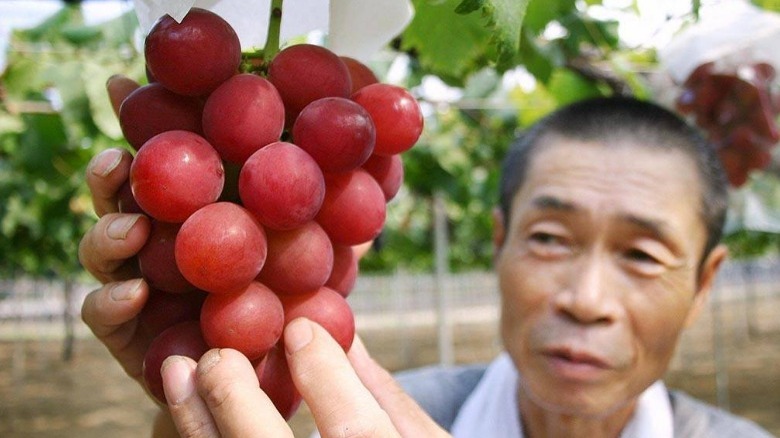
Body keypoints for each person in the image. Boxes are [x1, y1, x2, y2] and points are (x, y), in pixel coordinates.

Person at [78, 79, 773, 437]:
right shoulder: (375, 412)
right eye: (550, 240)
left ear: (706, 283)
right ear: (498, 244)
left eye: (644, 255)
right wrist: (188, 404)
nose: (586, 299)